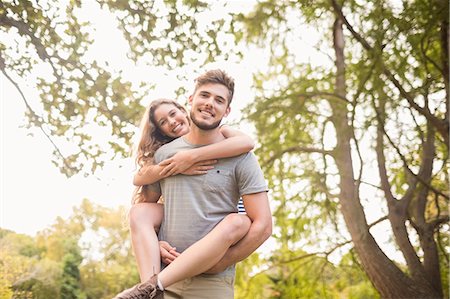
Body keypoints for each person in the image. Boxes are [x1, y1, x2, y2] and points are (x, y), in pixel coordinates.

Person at [116, 69, 272, 299]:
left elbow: (263, 226)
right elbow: (144, 212)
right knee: (138, 212)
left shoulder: (241, 154)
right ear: (191, 100)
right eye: (204, 95)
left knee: (237, 222)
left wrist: (222, 262)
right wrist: (155, 244)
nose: (210, 103)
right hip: (166, 277)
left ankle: (152, 285)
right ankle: (149, 288)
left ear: (226, 110)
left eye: (219, 100)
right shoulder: (165, 155)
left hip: (211, 285)